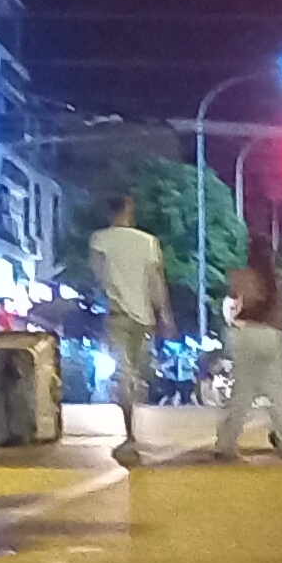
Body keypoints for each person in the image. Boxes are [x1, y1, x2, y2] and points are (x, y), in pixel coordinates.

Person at [87, 185, 169, 468]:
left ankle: (129, 433)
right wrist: (165, 317)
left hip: (117, 314)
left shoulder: (99, 240)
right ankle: (133, 408)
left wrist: (110, 291)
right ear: (128, 207)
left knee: (122, 374)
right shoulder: (148, 242)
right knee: (135, 372)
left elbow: (98, 277)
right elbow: (156, 282)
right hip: (144, 318)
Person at [213, 242, 282, 461]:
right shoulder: (274, 280)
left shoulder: (241, 276)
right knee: (280, 391)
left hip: (244, 334)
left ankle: (226, 443)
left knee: (242, 392)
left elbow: (232, 301)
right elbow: (280, 312)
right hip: (270, 334)